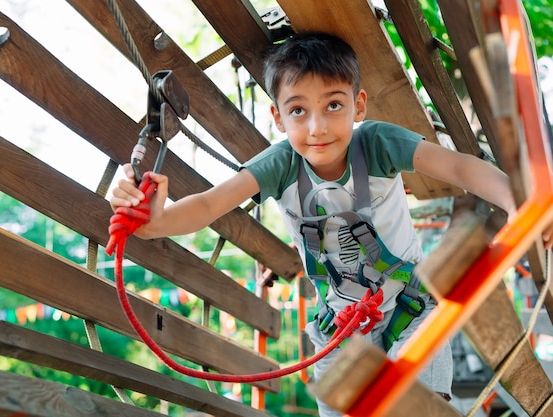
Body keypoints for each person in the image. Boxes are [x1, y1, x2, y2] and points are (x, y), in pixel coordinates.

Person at [111, 32, 553, 416]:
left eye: (333, 104)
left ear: (357, 106)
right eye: (298, 111)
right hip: (340, 328)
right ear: (278, 118)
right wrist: (158, 220)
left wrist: (520, 202)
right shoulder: (281, 165)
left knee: (422, 401)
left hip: (410, 309)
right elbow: (210, 204)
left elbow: (461, 169)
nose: (318, 127)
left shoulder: (378, 143)